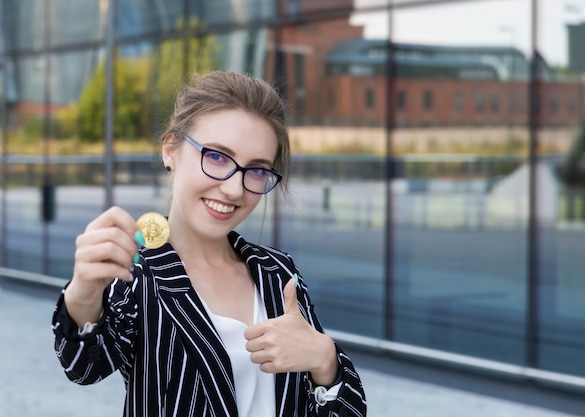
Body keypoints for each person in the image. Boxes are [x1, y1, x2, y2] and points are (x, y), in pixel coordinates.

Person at [51, 70, 367, 417]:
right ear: (171, 150)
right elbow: (83, 366)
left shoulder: (278, 273)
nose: (234, 189)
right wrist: (82, 294)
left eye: (257, 170)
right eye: (216, 157)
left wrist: (325, 361)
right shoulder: (138, 273)